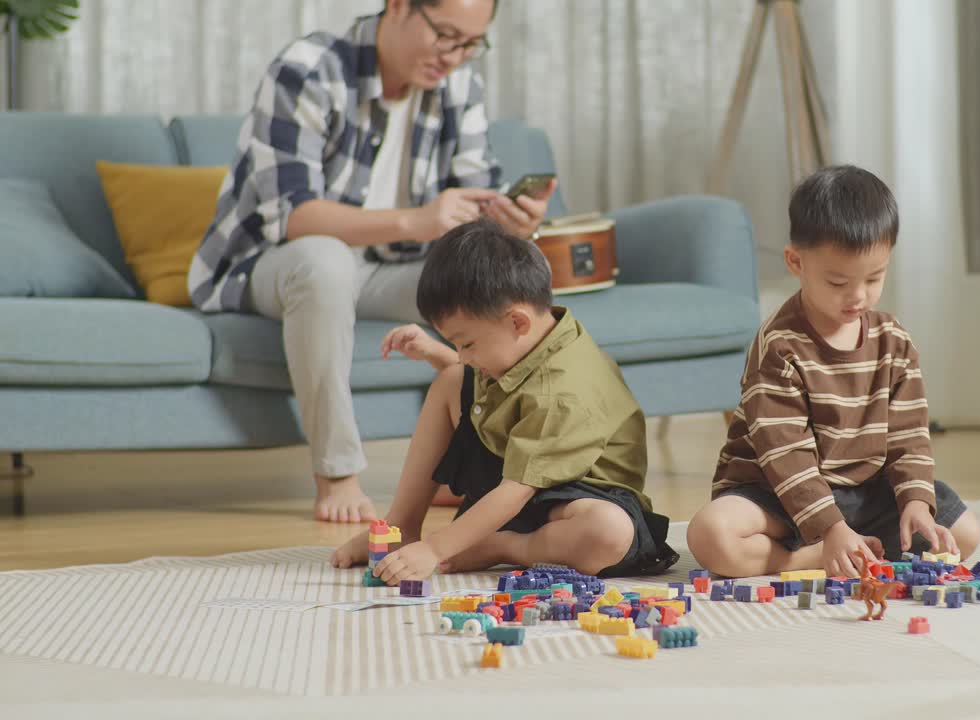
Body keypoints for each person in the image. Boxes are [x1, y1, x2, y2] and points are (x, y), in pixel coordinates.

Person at [188, 0, 556, 523]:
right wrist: (417, 221)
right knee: (325, 262)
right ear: (399, 6)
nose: (453, 56)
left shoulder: (458, 84)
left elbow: (476, 203)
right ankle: (336, 473)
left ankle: (486, 468)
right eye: (445, 35)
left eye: (470, 43)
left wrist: (512, 227)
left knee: (504, 284)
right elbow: (291, 215)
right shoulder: (310, 69)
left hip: (391, 268)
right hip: (275, 263)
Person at [330, 220, 679, 581]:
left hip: (576, 496)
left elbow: (517, 489)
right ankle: (401, 525)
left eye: (467, 343)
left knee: (608, 533)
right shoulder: (522, 343)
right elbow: (504, 389)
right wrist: (438, 353)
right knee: (452, 380)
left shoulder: (562, 392)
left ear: (517, 321)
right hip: (516, 477)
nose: (463, 355)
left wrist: (437, 549)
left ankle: (505, 545)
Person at [685, 165, 980, 578]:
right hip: (778, 490)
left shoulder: (894, 341)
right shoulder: (780, 346)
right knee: (710, 535)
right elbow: (785, 456)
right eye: (838, 282)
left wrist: (916, 501)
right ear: (795, 261)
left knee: (964, 534)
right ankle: (809, 557)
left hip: (862, 492)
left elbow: (908, 436)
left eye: (874, 278)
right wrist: (829, 529)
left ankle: (854, 546)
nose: (858, 296)